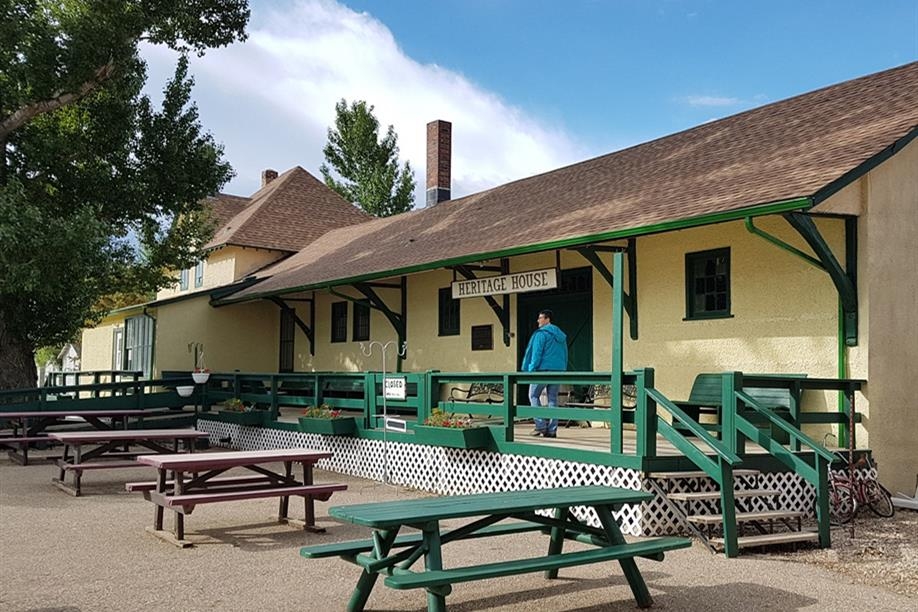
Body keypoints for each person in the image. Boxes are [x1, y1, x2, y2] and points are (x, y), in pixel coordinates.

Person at [521, 309, 568, 438]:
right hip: (557, 370)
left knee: (533, 395)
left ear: (547, 319)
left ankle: (540, 426)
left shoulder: (541, 334)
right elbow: (565, 353)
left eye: (540, 317)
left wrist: (531, 370)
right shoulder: (561, 335)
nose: (538, 320)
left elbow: (536, 354)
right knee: (553, 399)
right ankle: (552, 430)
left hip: (542, 371)